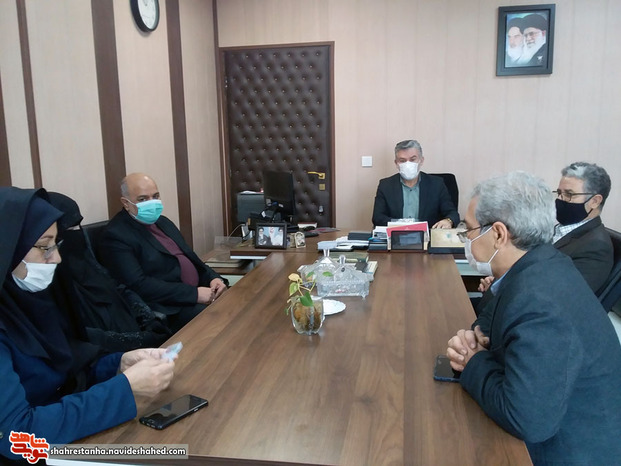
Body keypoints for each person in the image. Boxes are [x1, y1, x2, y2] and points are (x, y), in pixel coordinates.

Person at [446, 172, 621, 465]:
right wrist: (478, 334)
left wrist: (472, 361)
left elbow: (528, 420)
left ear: (498, 234)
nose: (467, 238)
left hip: (570, 450)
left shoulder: (539, 302)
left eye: (470, 229)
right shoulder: (541, 263)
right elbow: (497, 310)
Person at [0, 187, 175, 462]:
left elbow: (68, 371)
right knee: (165, 455)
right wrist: (123, 390)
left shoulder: (34, 301)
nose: (56, 258)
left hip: (71, 437)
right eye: (45, 246)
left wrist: (119, 364)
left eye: (56, 244)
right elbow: (16, 438)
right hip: (40, 454)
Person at [473, 162, 613, 314]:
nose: (560, 200)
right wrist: (500, 279)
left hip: (516, 315)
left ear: (595, 201)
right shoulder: (555, 229)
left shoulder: (597, 248)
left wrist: (503, 285)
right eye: (559, 193)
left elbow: (555, 297)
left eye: (569, 194)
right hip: (496, 305)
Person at [98, 173, 228, 333]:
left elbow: (191, 259)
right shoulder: (116, 235)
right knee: (223, 321)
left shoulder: (163, 222)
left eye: (155, 196)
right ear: (126, 203)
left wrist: (214, 278)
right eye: (143, 199)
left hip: (200, 292)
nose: (152, 203)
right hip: (171, 307)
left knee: (239, 305)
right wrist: (194, 294)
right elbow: (139, 285)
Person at [47, 191, 171, 352]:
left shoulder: (85, 262)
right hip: (108, 355)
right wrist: (139, 340)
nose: (77, 232)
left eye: (78, 226)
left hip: (140, 342)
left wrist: (148, 319)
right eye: (70, 228)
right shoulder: (47, 283)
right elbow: (81, 336)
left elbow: (117, 288)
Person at [371, 140, 459, 228]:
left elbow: (453, 214)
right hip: (396, 234)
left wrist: (448, 221)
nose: (408, 164)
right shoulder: (386, 185)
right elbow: (377, 218)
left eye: (412, 159)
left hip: (428, 235)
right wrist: (400, 224)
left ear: (421, 160)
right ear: (396, 163)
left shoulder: (436, 184)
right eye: (402, 160)